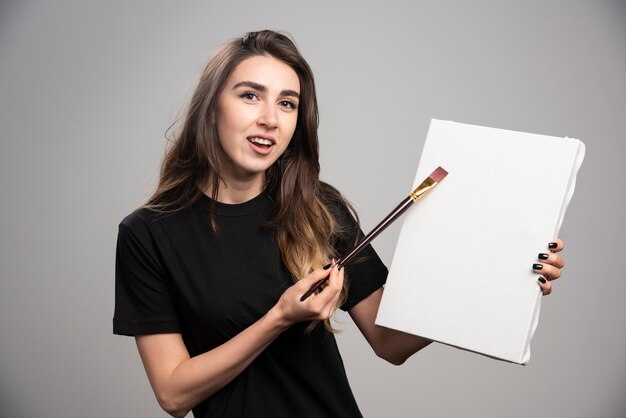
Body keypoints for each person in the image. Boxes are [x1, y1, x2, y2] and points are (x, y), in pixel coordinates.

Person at [113, 30, 565, 418]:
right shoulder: (147, 234)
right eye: (250, 95)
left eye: (287, 103)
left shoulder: (319, 209)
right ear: (211, 108)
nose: (269, 119)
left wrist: (497, 277)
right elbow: (173, 394)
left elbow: (391, 343)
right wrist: (278, 319)